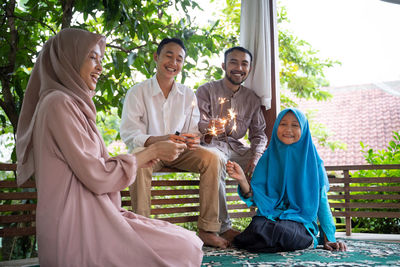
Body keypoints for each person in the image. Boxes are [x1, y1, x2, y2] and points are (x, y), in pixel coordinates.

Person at [15, 28, 204, 266]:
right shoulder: (59, 104)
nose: (100, 67)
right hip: (78, 224)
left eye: (100, 59)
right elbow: (98, 175)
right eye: (92, 57)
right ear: (68, 59)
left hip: (97, 211)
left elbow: (93, 166)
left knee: (188, 241)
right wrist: (153, 150)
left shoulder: (71, 103)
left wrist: (150, 154)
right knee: (185, 248)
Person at [120, 38, 228, 248]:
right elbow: (130, 133)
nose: (173, 62)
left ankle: (207, 229)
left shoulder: (187, 94)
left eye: (179, 59)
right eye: (168, 55)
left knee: (213, 157)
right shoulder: (137, 92)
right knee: (138, 155)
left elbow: (193, 131)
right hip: (151, 151)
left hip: (181, 151)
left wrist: (194, 138)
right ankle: (143, 228)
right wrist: (162, 140)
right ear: (156, 57)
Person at [226, 108, 347, 253]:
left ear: (304, 129)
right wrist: (242, 180)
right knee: (258, 227)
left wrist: (330, 238)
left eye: (295, 125)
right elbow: (256, 200)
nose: (288, 129)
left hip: (300, 221)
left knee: (283, 232)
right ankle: (265, 242)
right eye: (283, 124)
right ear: (277, 126)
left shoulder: (314, 162)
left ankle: (262, 242)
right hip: (270, 217)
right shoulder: (267, 159)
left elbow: (321, 200)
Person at [196, 47, 267, 242]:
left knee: (269, 161)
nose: (239, 67)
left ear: (249, 68)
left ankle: (270, 221)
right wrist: (209, 127)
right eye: (233, 62)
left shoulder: (252, 99)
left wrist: (257, 155)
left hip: (236, 149)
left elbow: (259, 134)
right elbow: (196, 124)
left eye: (244, 63)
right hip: (211, 146)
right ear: (224, 66)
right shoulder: (206, 91)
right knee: (216, 160)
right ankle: (223, 227)